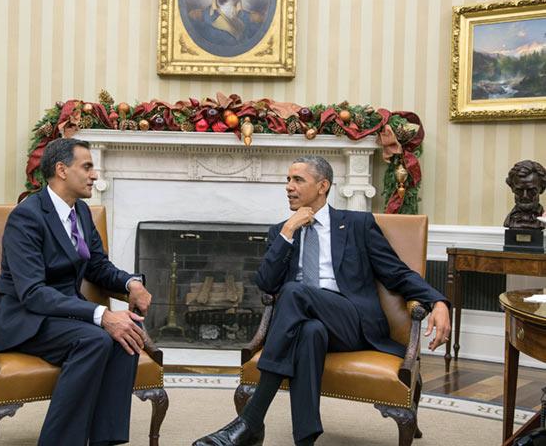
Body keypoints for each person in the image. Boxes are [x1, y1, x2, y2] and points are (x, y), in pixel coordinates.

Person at [192, 156, 450, 446]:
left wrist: (438, 301)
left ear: (323, 186)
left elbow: (397, 273)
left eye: (298, 180)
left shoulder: (357, 224)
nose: (289, 187)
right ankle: (306, 439)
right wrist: (289, 231)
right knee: (309, 332)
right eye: (287, 180)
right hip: (307, 321)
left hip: (352, 322)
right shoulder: (281, 231)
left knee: (292, 291)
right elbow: (265, 284)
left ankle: (251, 421)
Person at [0, 138, 152, 446]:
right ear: (62, 170)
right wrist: (102, 314)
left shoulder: (80, 213)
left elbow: (98, 267)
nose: (94, 175)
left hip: (64, 314)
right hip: (24, 317)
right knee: (93, 340)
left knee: (126, 337)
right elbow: (33, 293)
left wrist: (131, 283)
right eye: (87, 167)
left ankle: (104, 440)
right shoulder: (27, 217)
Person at [503, 160, 546, 229]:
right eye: (519, 191)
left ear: (542, 189)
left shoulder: (543, 220)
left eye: (531, 191)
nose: (525, 196)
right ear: (512, 188)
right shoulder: (510, 219)